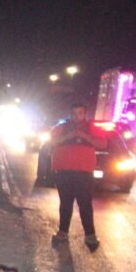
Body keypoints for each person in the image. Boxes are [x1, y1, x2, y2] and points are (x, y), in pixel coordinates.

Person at [49, 104, 106, 251]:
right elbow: (52, 141)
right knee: (65, 203)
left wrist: (84, 136)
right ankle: (63, 232)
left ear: (84, 114)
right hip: (63, 172)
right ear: (70, 114)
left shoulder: (92, 128)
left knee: (85, 204)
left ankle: (90, 235)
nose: (77, 116)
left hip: (84, 173)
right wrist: (70, 135)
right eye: (74, 113)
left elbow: (102, 143)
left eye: (80, 113)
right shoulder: (62, 127)